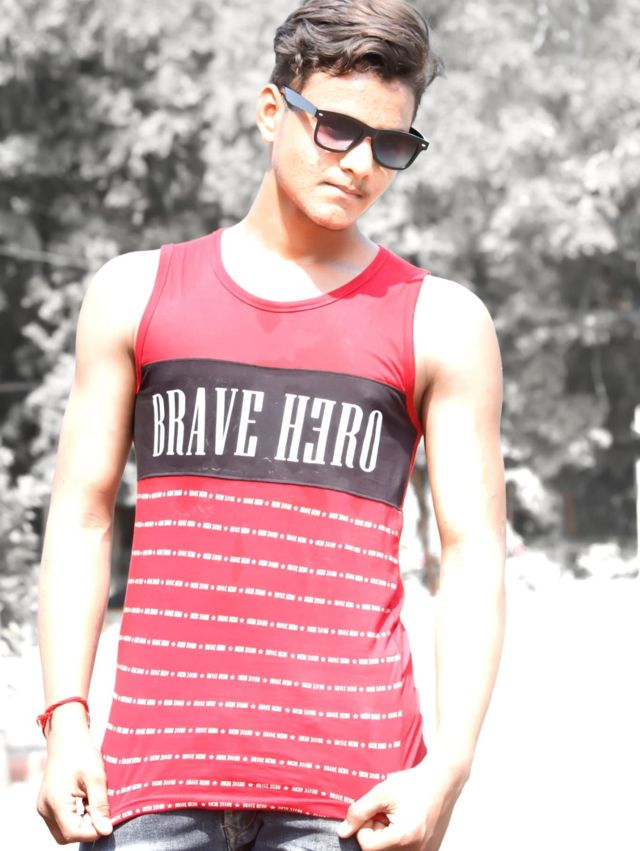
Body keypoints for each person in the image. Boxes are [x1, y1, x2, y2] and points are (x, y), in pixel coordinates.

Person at [36, 1, 506, 848]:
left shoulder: (440, 320)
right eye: (337, 128)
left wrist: (450, 766)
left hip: (352, 803)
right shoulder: (135, 293)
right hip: (148, 789)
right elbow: (81, 516)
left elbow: (472, 553)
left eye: (390, 145)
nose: (359, 164)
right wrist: (65, 720)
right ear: (269, 110)